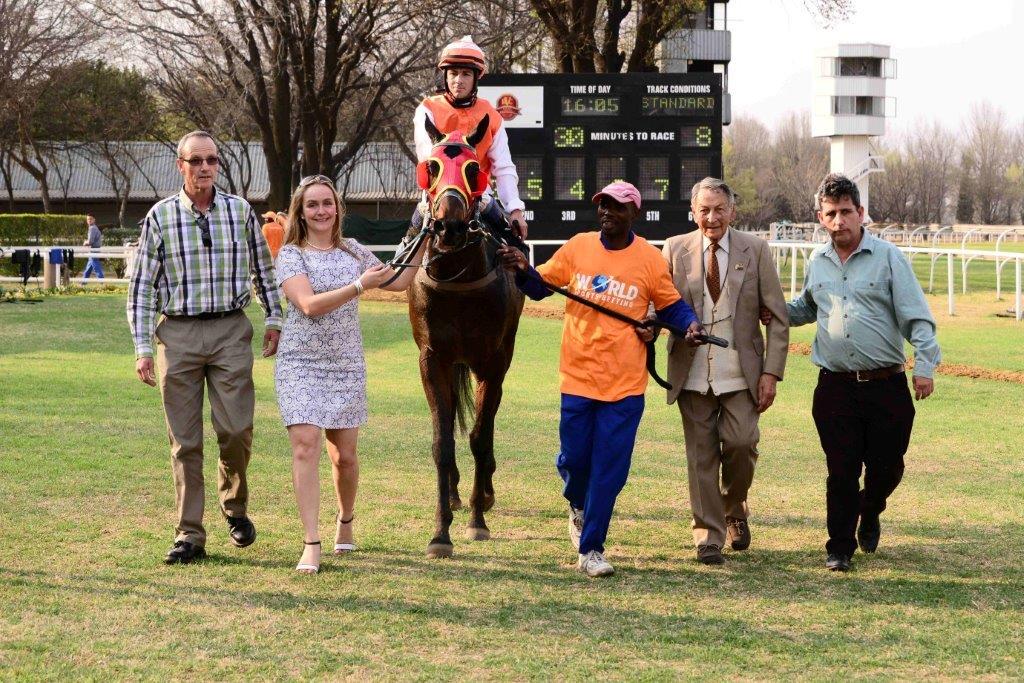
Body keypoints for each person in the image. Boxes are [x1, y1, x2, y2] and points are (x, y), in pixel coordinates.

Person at [498, 181, 700, 578]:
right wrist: (523, 270)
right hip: (577, 378)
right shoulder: (578, 246)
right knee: (574, 461)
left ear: (634, 214)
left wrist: (689, 325)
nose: (607, 211)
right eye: (603, 205)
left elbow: (671, 306)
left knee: (610, 469)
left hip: (625, 386)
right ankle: (576, 504)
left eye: (617, 206)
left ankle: (591, 548)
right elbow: (542, 287)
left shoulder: (649, 259)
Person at [128, 130, 283, 565]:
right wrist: (143, 347)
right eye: (195, 160)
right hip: (176, 334)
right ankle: (189, 533)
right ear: (181, 166)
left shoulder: (239, 213)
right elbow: (141, 289)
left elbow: (263, 271)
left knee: (235, 430)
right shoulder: (160, 217)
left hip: (230, 331)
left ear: (218, 165)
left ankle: (234, 508)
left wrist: (274, 318)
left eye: (211, 160)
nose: (204, 167)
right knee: (185, 441)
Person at [785, 173, 940, 572]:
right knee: (841, 470)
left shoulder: (889, 257)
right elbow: (806, 307)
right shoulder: (816, 261)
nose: (840, 221)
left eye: (847, 212)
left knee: (887, 468)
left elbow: (917, 317)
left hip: (886, 385)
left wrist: (924, 366)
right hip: (834, 387)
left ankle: (870, 512)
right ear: (821, 217)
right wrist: (769, 308)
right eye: (831, 213)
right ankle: (838, 548)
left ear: (861, 213)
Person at [274, 175, 425, 574]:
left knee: (345, 457)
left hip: (345, 364)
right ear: (300, 212)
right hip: (300, 364)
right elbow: (307, 305)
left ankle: (346, 520)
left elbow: (399, 280)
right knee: (305, 444)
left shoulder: (354, 250)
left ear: (338, 209)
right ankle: (311, 542)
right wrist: (359, 286)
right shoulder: (291, 255)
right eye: (312, 205)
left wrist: (424, 234)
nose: (321, 211)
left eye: (328, 203)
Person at [662, 178, 790, 565]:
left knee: (741, 443)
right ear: (693, 211)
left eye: (720, 209)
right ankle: (708, 537)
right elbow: (661, 305)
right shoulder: (673, 249)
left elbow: (778, 319)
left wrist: (771, 373)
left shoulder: (756, 249)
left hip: (742, 373)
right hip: (692, 372)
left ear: (733, 211)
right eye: (704, 210)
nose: (712, 217)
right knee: (700, 456)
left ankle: (735, 507)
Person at [412, 35, 528, 243]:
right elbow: (427, 155)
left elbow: (503, 167)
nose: (458, 80)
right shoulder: (427, 109)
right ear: (445, 76)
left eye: (465, 74)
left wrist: (515, 209)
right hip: (436, 197)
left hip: (479, 197)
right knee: (403, 253)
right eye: (453, 73)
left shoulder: (491, 115)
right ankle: (395, 269)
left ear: (476, 78)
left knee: (515, 248)